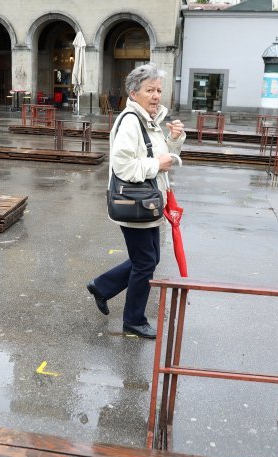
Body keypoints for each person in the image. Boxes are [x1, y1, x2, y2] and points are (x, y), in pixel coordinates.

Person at [87, 63, 185, 339]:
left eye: (158, 90)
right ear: (134, 93)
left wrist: (173, 140)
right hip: (135, 203)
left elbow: (158, 154)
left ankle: (102, 286)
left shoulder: (146, 120)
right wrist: (157, 164)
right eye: (149, 90)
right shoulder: (130, 121)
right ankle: (133, 320)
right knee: (145, 262)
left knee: (148, 259)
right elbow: (124, 167)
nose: (156, 96)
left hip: (148, 202)